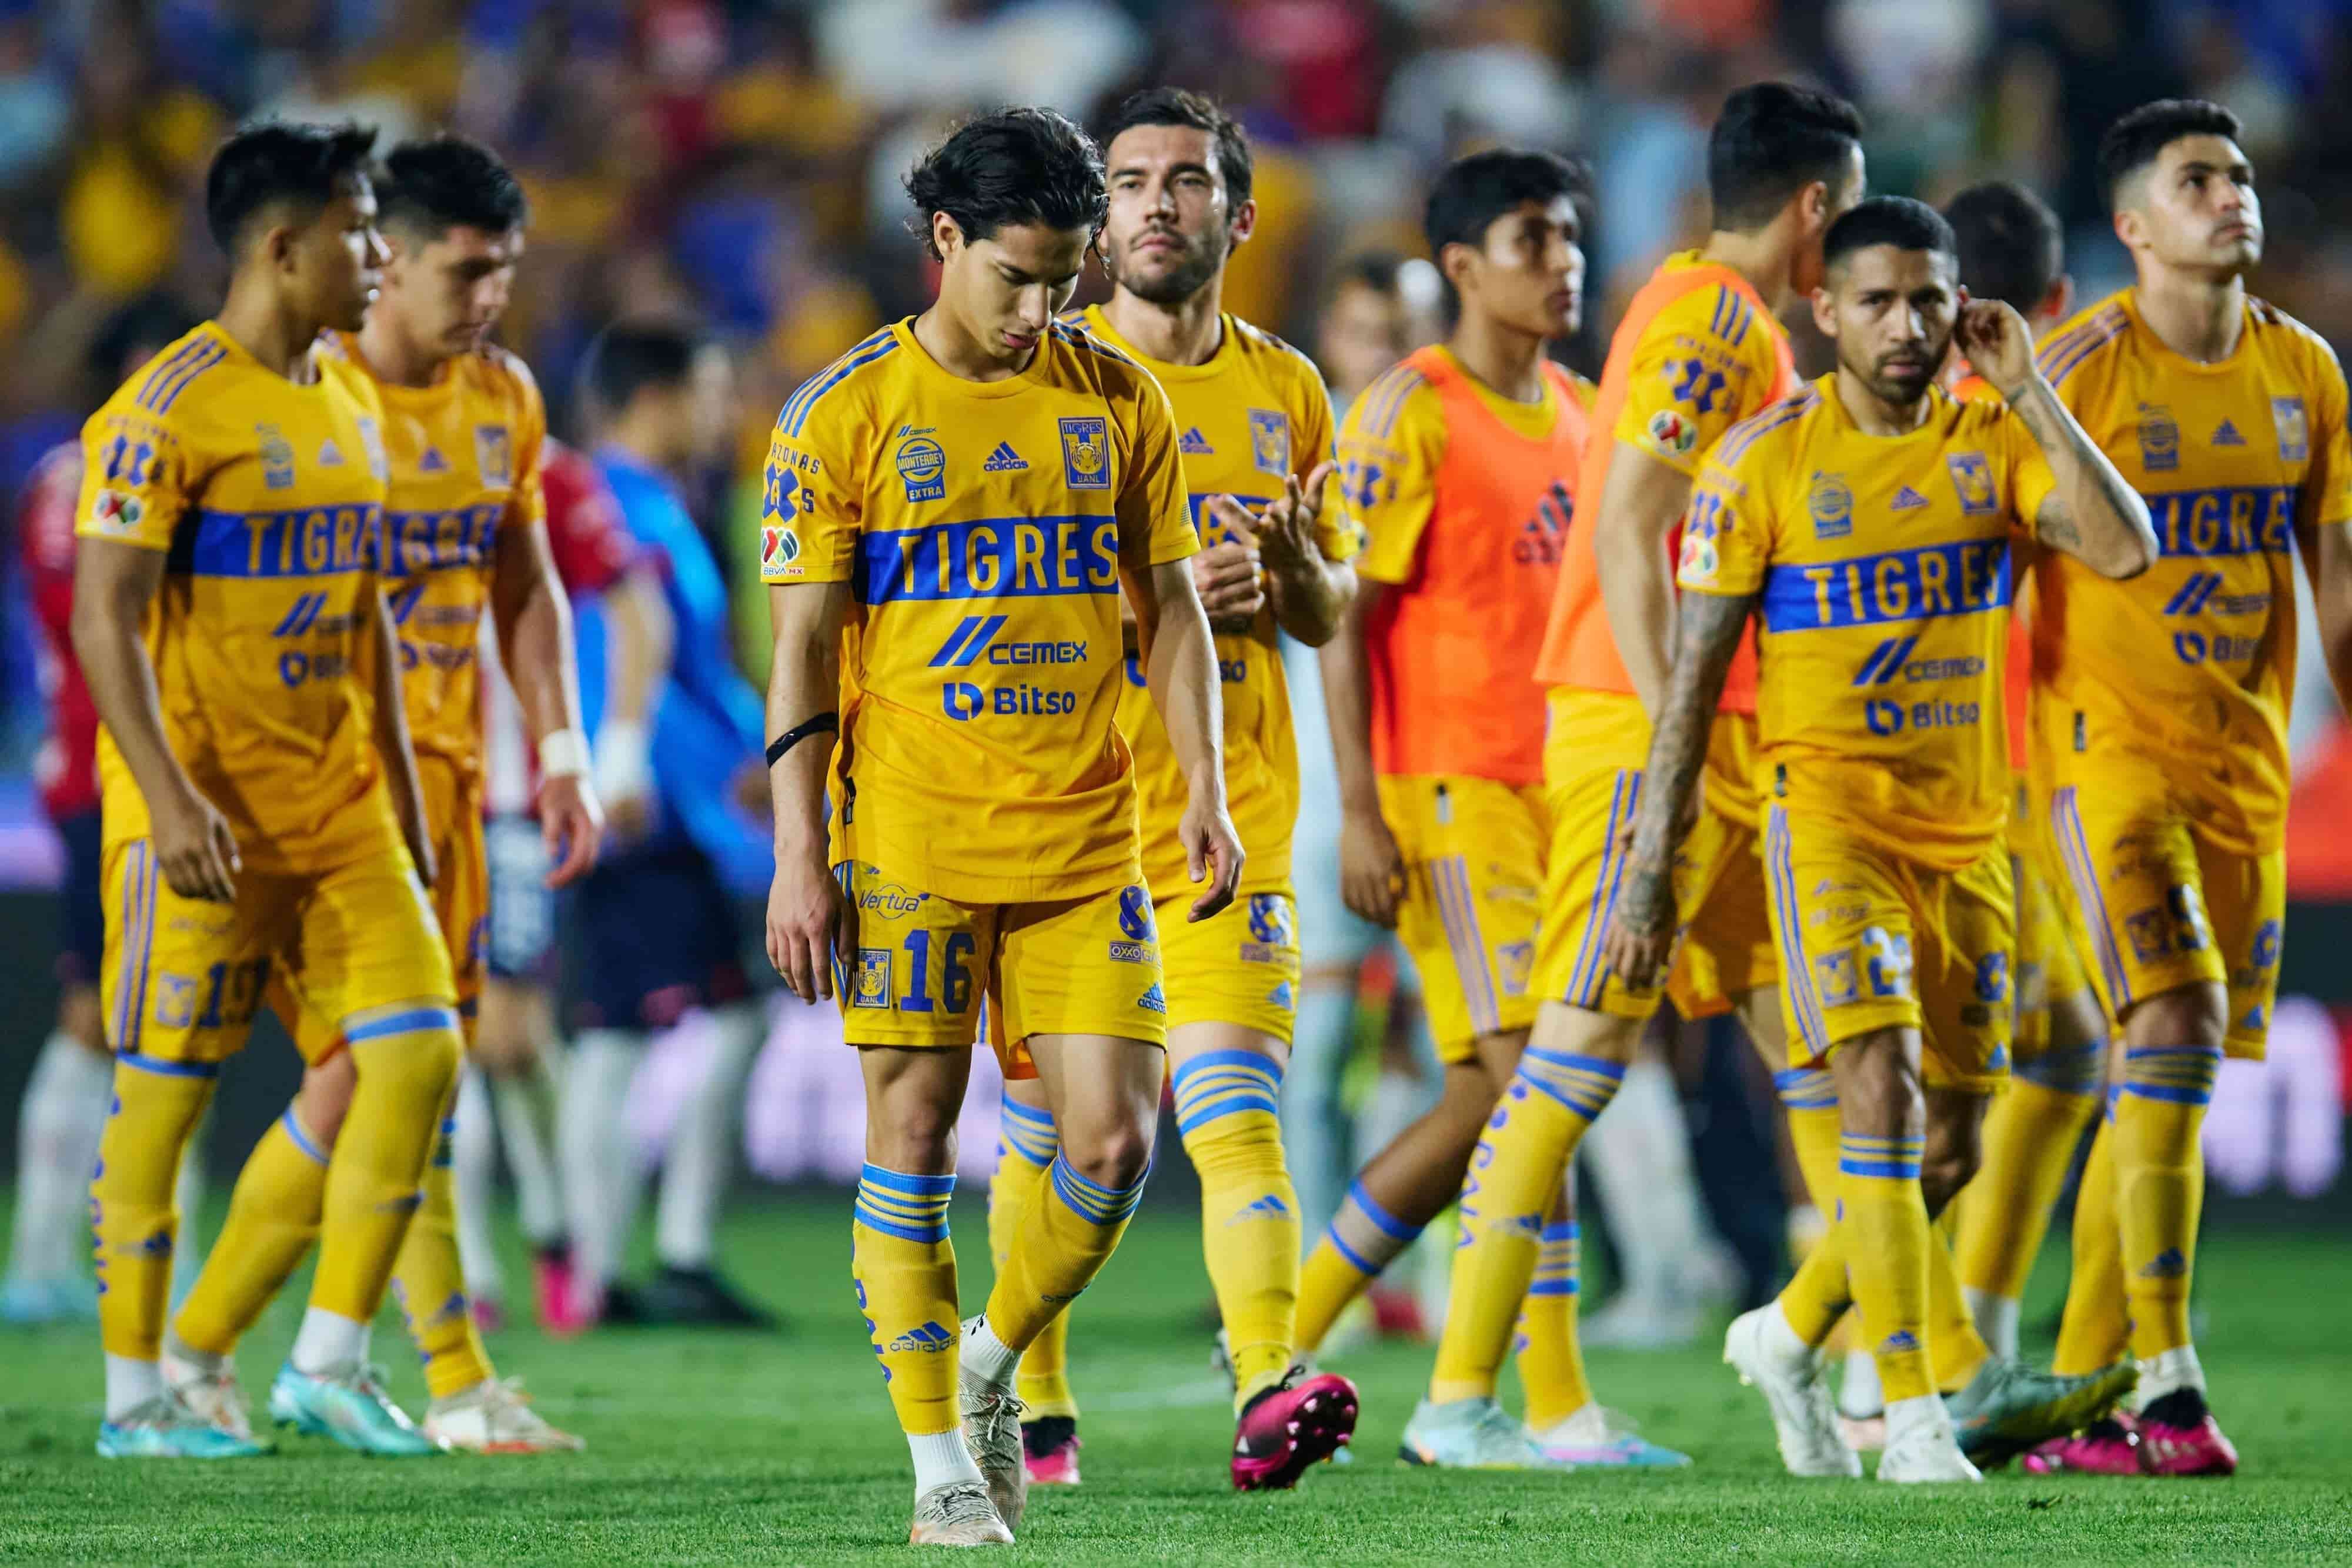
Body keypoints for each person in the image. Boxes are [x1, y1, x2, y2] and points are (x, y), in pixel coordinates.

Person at [1605, 195, 2157, 1482]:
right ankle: (1909, 1413)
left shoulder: (1990, 441)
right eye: (1875, 302)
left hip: (1970, 837)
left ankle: (1791, 1329)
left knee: (1950, 1146)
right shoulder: (1760, 462)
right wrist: (1653, 854)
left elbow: (2127, 548)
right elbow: (1691, 683)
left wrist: (2029, 392)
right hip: (1825, 820)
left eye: (1927, 300)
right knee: (1883, 1096)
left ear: (1960, 303)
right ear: (1825, 310)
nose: (1904, 326)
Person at [759, 106, 1240, 1547]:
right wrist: (800, 851)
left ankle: (985, 1361)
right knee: (909, 1137)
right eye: (1016, 278)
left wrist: (1199, 786)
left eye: (1067, 279)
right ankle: (941, 1473)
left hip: (1085, 837)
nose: (1043, 311)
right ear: (944, 241)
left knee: (1113, 1140)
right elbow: (800, 655)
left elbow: (1171, 623)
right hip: (906, 835)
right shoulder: (839, 415)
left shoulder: (1116, 402)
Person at [157, 133, 596, 1455]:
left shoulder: (501, 397)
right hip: (311, 789)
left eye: (506, 273)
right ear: (381, 259)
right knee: (380, 1066)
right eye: (466, 272)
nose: (488, 300)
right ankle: (352, 1364)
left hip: (448, 786)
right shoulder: (300, 395)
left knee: (409, 1068)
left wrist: (561, 748)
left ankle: (251, 1360)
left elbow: (525, 583)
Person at [985, 87, 1361, 1492]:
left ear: (1237, 216)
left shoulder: (1288, 390)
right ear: (1098, 222)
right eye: (1131, 181)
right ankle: (1032, 1402)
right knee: (1056, 1139)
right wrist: (1156, 600)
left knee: (1234, 1110)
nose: (1155, 202)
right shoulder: (1038, 377)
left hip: (1230, 819)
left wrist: (1286, 579)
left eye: (1185, 181)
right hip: (1065, 821)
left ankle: (1266, 1380)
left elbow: (1331, 607)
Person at [74, 119, 462, 1458]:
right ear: (284, 246)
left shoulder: (348, 393)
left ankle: (327, 1359)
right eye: (360, 230)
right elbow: (103, 616)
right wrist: (169, 799)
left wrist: (405, 796)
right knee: (165, 1089)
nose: (378, 256)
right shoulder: (164, 410)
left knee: (420, 1054)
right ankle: (136, 1397)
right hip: (203, 811)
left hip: (342, 801)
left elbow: (365, 622)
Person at [1294, 146, 1666, 1472]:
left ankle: (1277, 1336)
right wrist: (1358, 808)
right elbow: (1344, 622)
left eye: (1569, 236)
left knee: (1476, 1105)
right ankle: (1533, 1403)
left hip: (1561, 789)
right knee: (1536, 1089)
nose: (1561, 260)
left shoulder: (1577, 410)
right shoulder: (1406, 413)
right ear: (1459, 264)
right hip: (1447, 792)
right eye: (1530, 238)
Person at [2017, 99, 2352, 1479]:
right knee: (2168, 1012)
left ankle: (2077, 1397)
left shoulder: (2306, 374)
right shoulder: (2071, 369)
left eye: (2240, 175)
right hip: (2094, 756)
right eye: (2197, 178)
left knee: (2168, 1064)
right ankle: (2161, 1378)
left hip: (2238, 766)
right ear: (2130, 223)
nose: (2232, 197)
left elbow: (2334, 581)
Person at [557, 320, 776, 1330]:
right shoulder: (615, 508)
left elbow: (695, 671)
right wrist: (731, 766)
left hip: (656, 799)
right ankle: (620, 1266)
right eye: (713, 390)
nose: (725, 413)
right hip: (644, 806)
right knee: (629, 1032)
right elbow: (631, 672)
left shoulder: (651, 506)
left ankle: (621, 1268)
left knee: (643, 1024)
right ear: (660, 397)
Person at [1938, 181, 2112, 1368]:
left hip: (1949, 776)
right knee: (1954, 1088)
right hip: (1994, 783)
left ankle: (1961, 1336)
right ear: (2049, 300)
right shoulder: (2019, 428)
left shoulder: (1865, 411)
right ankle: (1875, 1346)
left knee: (2032, 1058)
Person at [6, 293, 202, 1328]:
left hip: (109, 774)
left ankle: (88, 1254)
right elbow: (95, 619)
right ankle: (57, 1259)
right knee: (112, 1019)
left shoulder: (70, 476)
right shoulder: (94, 475)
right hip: (112, 777)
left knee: (126, 1016)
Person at [467, 433, 671, 1335]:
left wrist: (616, 753)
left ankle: (556, 1232)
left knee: (508, 1041)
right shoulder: (346, 430)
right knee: (425, 1041)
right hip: (391, 797)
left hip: (509, 801)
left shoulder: (535, 466)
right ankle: (466, 1277)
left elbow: (638, 612)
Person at [1284, 252, 1443, 1343]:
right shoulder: (1301, 462)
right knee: (1316, 1043)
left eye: (1400, 332)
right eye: (1359, 333)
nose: (1379, 353)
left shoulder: (1454, 439)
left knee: (1449, 1055)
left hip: (1442, 779)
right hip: (1314, 792)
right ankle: (1312, 1289)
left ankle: (1436, 1284)